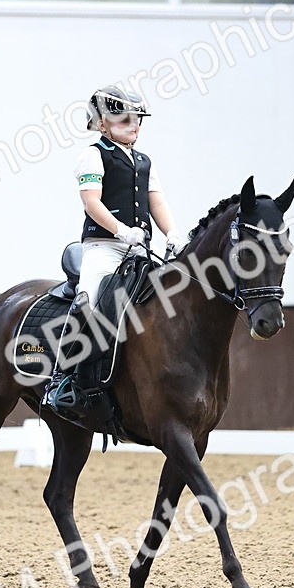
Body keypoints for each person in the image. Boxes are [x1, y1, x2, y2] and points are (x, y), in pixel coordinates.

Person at [43, 85, 185, 413]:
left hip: (139, 249)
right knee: (88, 299)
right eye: (124, 120)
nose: (134, 126)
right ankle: (62, 379)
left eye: (137, 120)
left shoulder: (145, 161)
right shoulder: (92, 155)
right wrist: (121, 231)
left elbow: (156, 201)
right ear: (103, 123)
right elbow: (92, 202)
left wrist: (172, 233)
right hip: (103, 247)